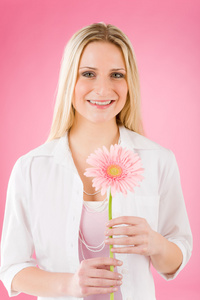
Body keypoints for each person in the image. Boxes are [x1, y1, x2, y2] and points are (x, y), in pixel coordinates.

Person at [0, 23, 192, 300]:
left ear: (129, 83)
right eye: (88, 74)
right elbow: (11, 267)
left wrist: (157, 245)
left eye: (117, 75)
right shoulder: (31, 168)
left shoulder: (158, 160)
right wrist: (70, 285)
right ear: (70, 81)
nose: (103, 89)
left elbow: (176, 255)